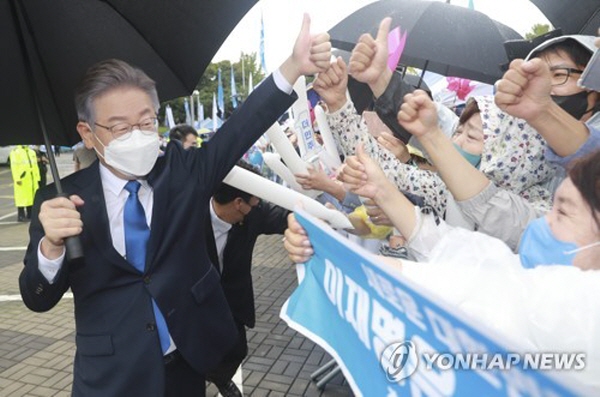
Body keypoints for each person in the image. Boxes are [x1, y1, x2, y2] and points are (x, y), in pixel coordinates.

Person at [19, 14, 331, 397]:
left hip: (186, 364)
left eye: (146, 122)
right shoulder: (59, 201)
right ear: (87, 133)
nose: (136, 136)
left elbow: (239, 130)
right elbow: (37, 298)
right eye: (119, 127)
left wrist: (293, 66)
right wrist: (50, 247)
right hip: (110, 376)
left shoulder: (183, 172)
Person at [284, 146, 600, 391]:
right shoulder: (531, 284)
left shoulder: (582, 320)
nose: (543, 224)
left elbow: (486, 288)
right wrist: (379, 193)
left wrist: (331, 256)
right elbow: (461, 254)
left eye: (563, 212)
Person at [205, 161, 289, 397]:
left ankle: (220, 378)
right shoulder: (187, 212)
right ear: (239, 204)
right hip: (192, 298)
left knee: (236, 349)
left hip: (231, 295)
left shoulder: (255, 215)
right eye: (254, 201)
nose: (258, 204)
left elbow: (286, 217)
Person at [9, 145, 40, 222]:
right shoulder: (15, 152)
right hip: (23, 179)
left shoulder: (31, 152)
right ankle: (21, 215)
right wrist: (17, 178)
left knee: (31, 197)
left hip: (32, 179)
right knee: (21, 198)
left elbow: (35, 166)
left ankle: (30, 214)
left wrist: (37, 177)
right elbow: (14, 167)